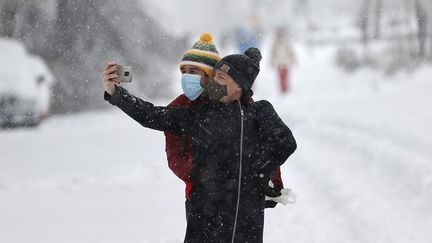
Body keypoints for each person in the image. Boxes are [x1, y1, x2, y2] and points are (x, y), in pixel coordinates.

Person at [101, 47, 297, 242]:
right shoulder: (201, 114)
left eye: (220, 77)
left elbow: (285, 142)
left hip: (246, 220)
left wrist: (257, 173)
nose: (213, 82)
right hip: (204, 216)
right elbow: (152, 115)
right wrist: (117, 94)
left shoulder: (260, 112)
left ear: (238, 85)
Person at [166, 32, 286, 220]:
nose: (187, 77)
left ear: (209, 76)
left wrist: (271, 181)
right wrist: (200, 176)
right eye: (184, 71)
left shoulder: (237, 104)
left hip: (239, 196)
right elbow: (175, 155)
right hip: (200, 196)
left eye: (194, 71)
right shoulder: (179, 107)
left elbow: (262, 145)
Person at [270, 27, 297, 93]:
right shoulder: (275, 43)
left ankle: (286, 88)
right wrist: (271, 61)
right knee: (280, 77)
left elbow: (291, 51)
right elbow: (272, 53)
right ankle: (282, 89)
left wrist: (294, 59)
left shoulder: (286, 41)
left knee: (286, 76)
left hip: (286, 62)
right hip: (278, 63)